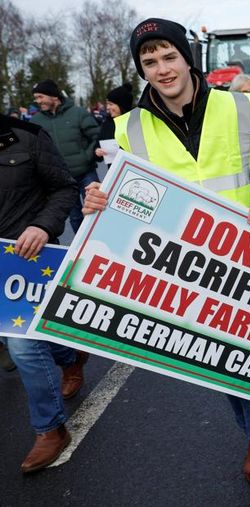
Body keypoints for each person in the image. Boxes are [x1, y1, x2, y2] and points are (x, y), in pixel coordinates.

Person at [81, 18, 250, 506]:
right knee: (222, 370)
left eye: (168, 56)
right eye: (149, 61)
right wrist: (96, 197)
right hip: (186, 270)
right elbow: (121, 194)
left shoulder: (243, 105)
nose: (161, 68)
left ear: (187, 57)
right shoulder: (127, 128)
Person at [1, 110, 87, 473]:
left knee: (20, 342)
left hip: (27, 260)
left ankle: (50, 429)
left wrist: (41, 225)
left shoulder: (27, 136)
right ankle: (70, 356)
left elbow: (65, 186)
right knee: (16, 342)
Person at [30, 79, 100, 233]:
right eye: (36, 98)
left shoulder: (78, 113)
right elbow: (34, 150)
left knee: (98, 211)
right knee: (75, 217)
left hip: (86, 172)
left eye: (40, 97)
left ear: (53, 96)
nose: (37, 101)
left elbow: (96, 136)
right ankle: (83, 248)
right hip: (62, 180)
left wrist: (86, 156)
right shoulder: (36, 121)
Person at [95, 83, 134, 166]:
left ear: (122, 105)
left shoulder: (135, 123)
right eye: (107, 104)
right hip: (115, 172)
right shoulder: (107, 124)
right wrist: (97, 151)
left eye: (111, 104)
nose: (107, 107)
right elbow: (97, 146)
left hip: (136, 171)